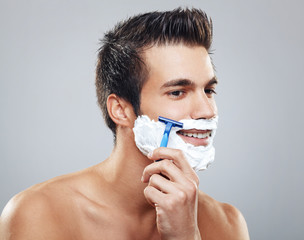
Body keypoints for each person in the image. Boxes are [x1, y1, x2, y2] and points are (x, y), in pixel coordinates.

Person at [0, 8, 249, 239]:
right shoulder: (40, 214)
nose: (207, 110)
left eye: (208, 90)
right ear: (120, 110)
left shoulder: (226, 224)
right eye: (177, 92)